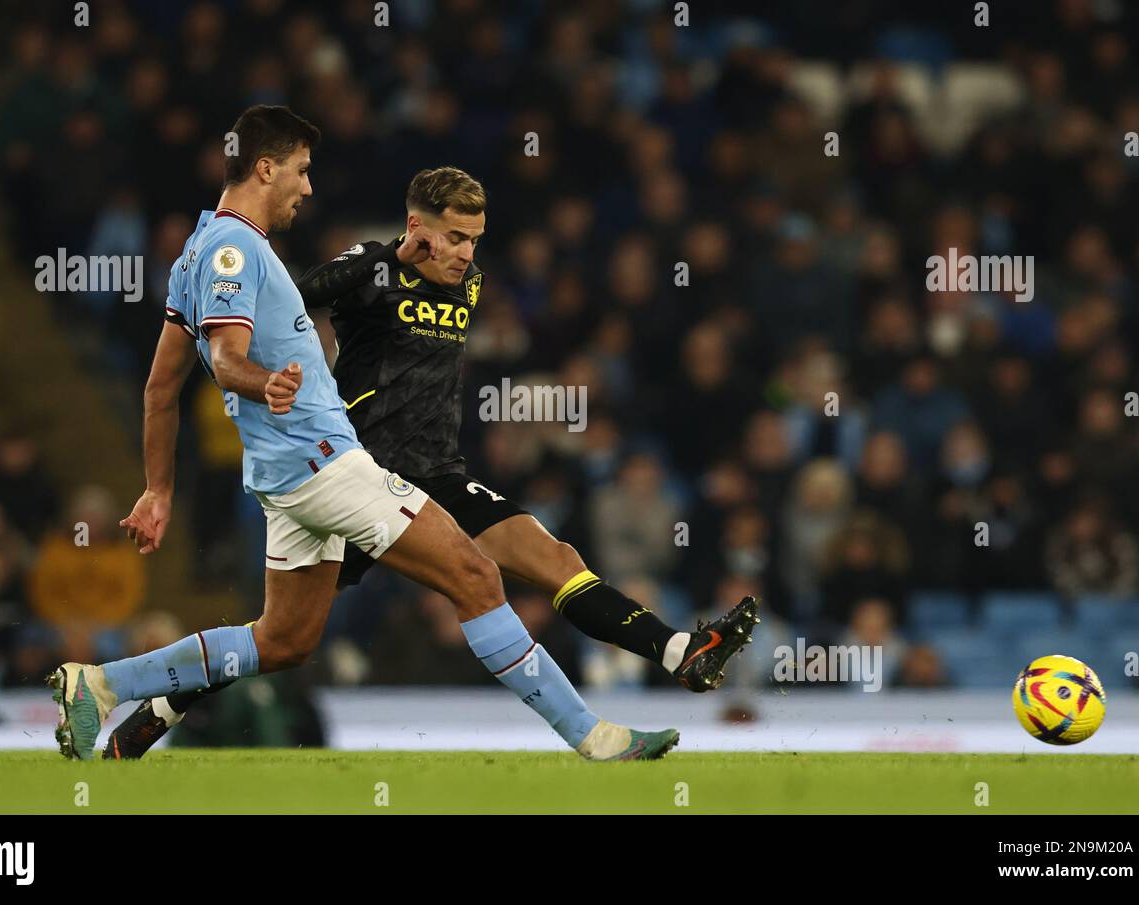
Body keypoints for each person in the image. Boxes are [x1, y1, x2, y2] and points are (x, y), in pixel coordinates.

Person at [50, 105, 682, 762]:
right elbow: (230, 357)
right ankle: (594, 737)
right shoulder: (236, 251)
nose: (308, 186)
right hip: (323, 460)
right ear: (265, 168)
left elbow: (160, 387)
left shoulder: (194, 257)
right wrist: (260, 380)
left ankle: (99, 684)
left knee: (283, 640)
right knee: (475, 574)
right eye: (300, 170)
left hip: (284, 475)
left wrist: (158, 488)